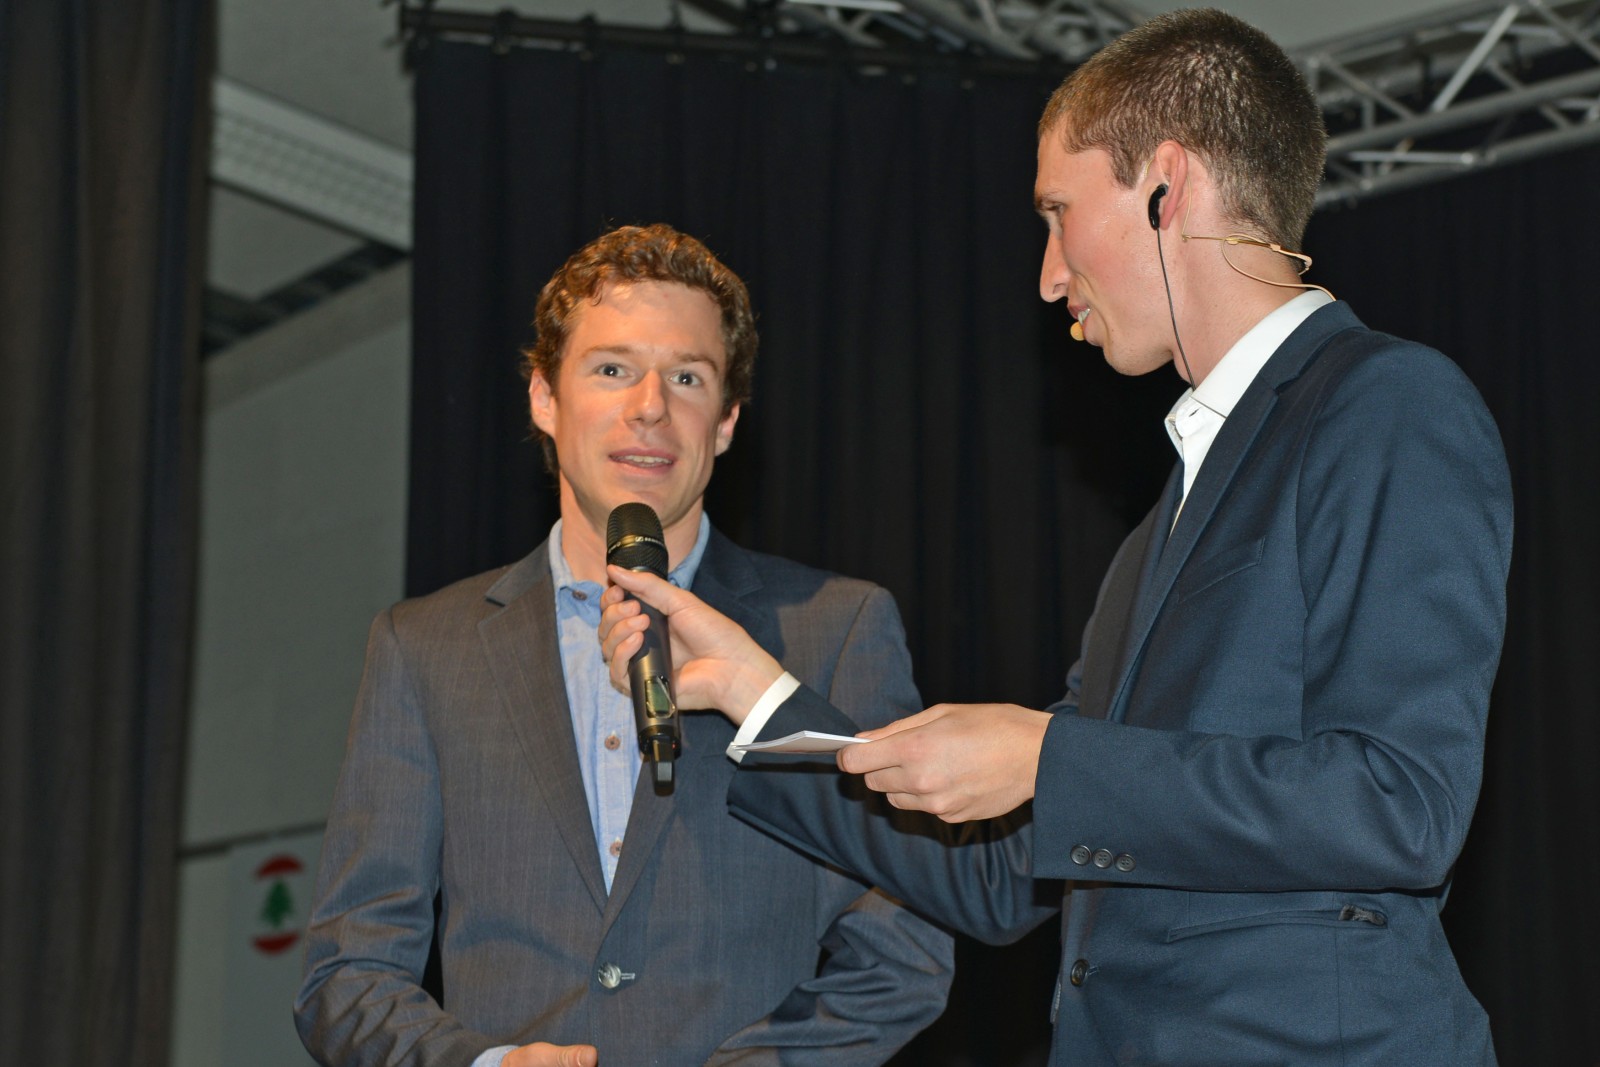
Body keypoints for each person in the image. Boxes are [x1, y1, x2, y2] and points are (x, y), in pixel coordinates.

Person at [599, 10, 1512, 1066]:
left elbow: (1401, 802)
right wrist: (753, 694)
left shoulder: (1387, 403)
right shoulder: (1157, 534)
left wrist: (1046, 753)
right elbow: (999, 876)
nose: (1046, 275)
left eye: (1058, 213)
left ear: (1166, 185)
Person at [295, 223, 953, 1067]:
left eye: (687, 376)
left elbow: (905, 950)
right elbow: (347, 974)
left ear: (725, 421)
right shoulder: (426, 648)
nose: (650, 405)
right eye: (612, 369)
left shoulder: (836, 628)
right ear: (544, 397)